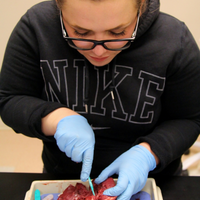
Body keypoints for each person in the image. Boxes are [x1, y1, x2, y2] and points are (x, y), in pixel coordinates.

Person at [0, 0, 200, 199]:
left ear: (141, 7)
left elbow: (190, 119)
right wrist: (56, 118)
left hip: (155, 180)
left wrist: (148, 154)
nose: (99, 51)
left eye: (118, 32)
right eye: (80, 32)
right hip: (63, 178)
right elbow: (9, 99)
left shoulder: (174, 39)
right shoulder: (37, 26)